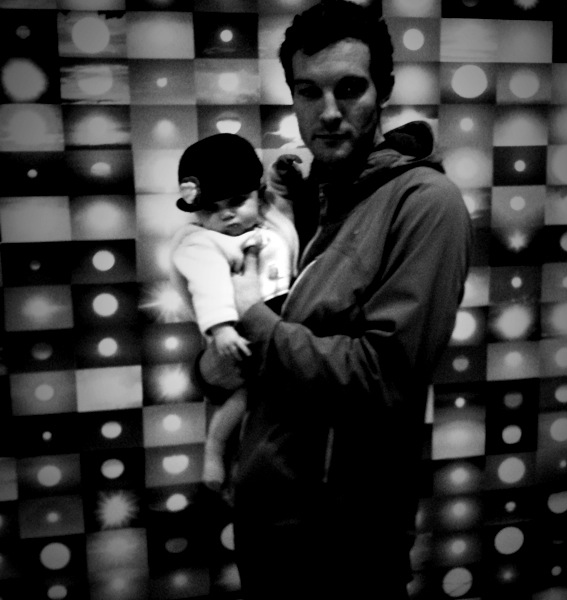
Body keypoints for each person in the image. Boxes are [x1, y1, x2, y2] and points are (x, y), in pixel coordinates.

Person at [196, 1, 473, 598]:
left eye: (349, 88)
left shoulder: (427, 205)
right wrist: (220, 352)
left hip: (344, 548)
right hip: (266, 529)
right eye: (308, 91)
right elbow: (260, 351)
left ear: (383, 91)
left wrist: (253, 323)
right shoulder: (308, 203)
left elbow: (382, 378)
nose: (327, 112)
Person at [169, 133, 299, 492]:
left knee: (264, 401)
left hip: (277, 326)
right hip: (236, 330)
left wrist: (282, 180)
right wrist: (222, 327)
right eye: (211, 208)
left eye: (238, 201)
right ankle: (214, 447)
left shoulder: (265, 224)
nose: (226, 214)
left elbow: (283, 213)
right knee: (243, 398)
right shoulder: (203, 241)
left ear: (258, 195)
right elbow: (207, 282)